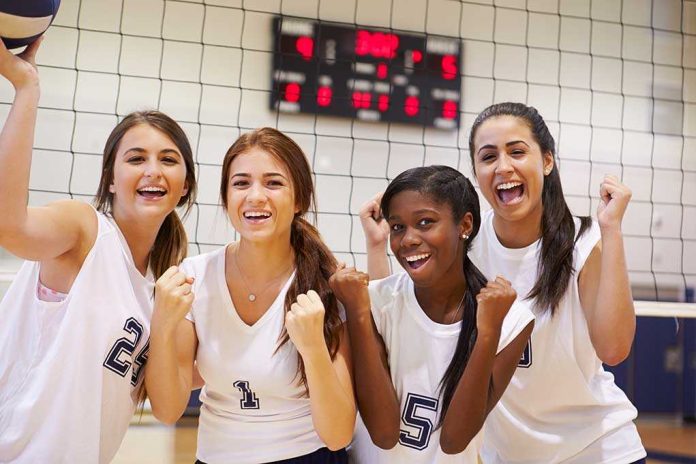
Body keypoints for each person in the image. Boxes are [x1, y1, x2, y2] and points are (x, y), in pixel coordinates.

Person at [363, 102, 646, 463]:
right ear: (476, 172)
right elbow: (396, 311)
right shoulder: (466, 243)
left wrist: (612, 230)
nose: (503, 167)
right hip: (505, 456)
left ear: (546, 161)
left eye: (516, 152)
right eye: (488, 157)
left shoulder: (582, 243)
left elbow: (614, 349)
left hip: (597, 449)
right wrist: (376, 245)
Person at [0, 39, 197, 463]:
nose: (152, 170)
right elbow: (8, 226)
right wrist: (27, 89)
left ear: (185, 186)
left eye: (168, 159)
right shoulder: (84, 229)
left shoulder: (166, 287)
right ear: (110, 179)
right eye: (136, 158)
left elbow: (168, 408)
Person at [146, 127, 356, 464]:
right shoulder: (194, 276)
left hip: (306, 456)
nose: (255, 196)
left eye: (273, 183)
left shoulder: (325, 283)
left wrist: (314, 347)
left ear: (299, 198)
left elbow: (339, 434)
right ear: (227, 197)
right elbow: (168, 410)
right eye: (241, 183)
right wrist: (162, 324)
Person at [333, 165, 534, 463]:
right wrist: (358, 313)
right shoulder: (370, 303)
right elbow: (384, 434)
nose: (408, 239)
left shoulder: (510, 319)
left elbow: (454, 440)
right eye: (398, 227)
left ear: (465, 225)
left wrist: (488, 333)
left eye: (425, 222)